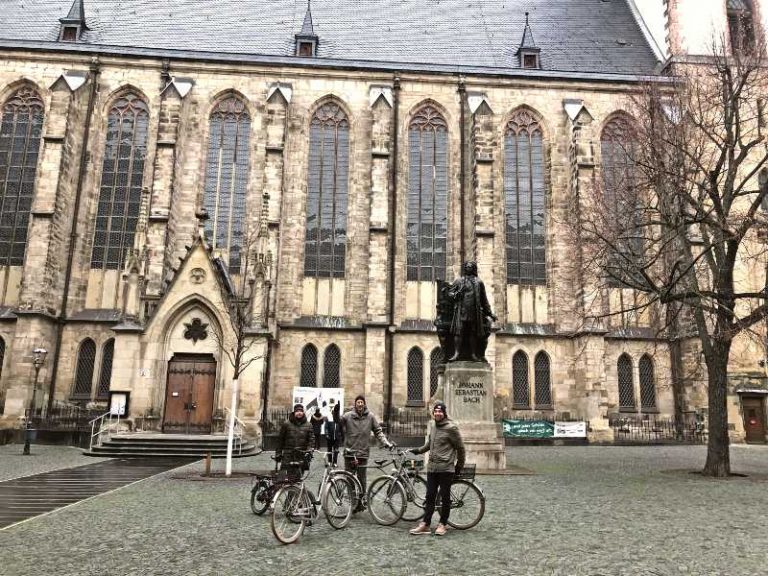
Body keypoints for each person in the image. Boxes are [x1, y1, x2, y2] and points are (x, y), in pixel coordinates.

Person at [408, 401, 465, 536]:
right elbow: (429, 444)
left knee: (445, 498)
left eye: (440, 411)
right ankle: (426, 524)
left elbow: (461, 448)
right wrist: (418, 451)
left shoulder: (452, 428)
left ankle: (442, 524)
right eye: (436, 411)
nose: (437, 413)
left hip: (446, 469)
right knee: (430, 496)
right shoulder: (433, 426)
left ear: (444, 413)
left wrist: (459, 467)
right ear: (433, 413)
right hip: (432, 468)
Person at [341, 395, 395, 504]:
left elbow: (378, 431)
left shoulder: (370, 417)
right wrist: (335, 414)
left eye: (362, 402)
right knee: (349, 479)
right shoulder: (347, 416)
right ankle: (352, 502)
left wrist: (386, 443)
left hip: (363, 453)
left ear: (364, 404)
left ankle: (361, 501)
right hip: (350, 453)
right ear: (355, 404)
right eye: (358, 402)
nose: (360, 404)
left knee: (362, 479)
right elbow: (339, 422)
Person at [447, 261, 496, 362]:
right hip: (461, 310)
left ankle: (473, 354)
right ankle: (456, 353)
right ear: (464, 268)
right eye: (467, 267)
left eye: (470, 267)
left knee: (473, 333)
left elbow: (484, 299)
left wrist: (490, 313)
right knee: (458, 332)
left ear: (473, 269)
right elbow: (450, 294)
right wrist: (458, 293)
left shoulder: (478, 282)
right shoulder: (459, 281)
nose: (468, 268)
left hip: (474, 311)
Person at [275, 403, 314, 470]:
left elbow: (311, 440)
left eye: (301, 411)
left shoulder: (309, 425)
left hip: (301, 455)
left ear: (303, 412)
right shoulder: (286, 424)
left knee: (298, 477)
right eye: (297, 411)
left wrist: (309, 451)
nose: (299, 413)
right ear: (294, 412)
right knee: (284, 476)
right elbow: (280, 440)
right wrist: (278, 453)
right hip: (288, 455)